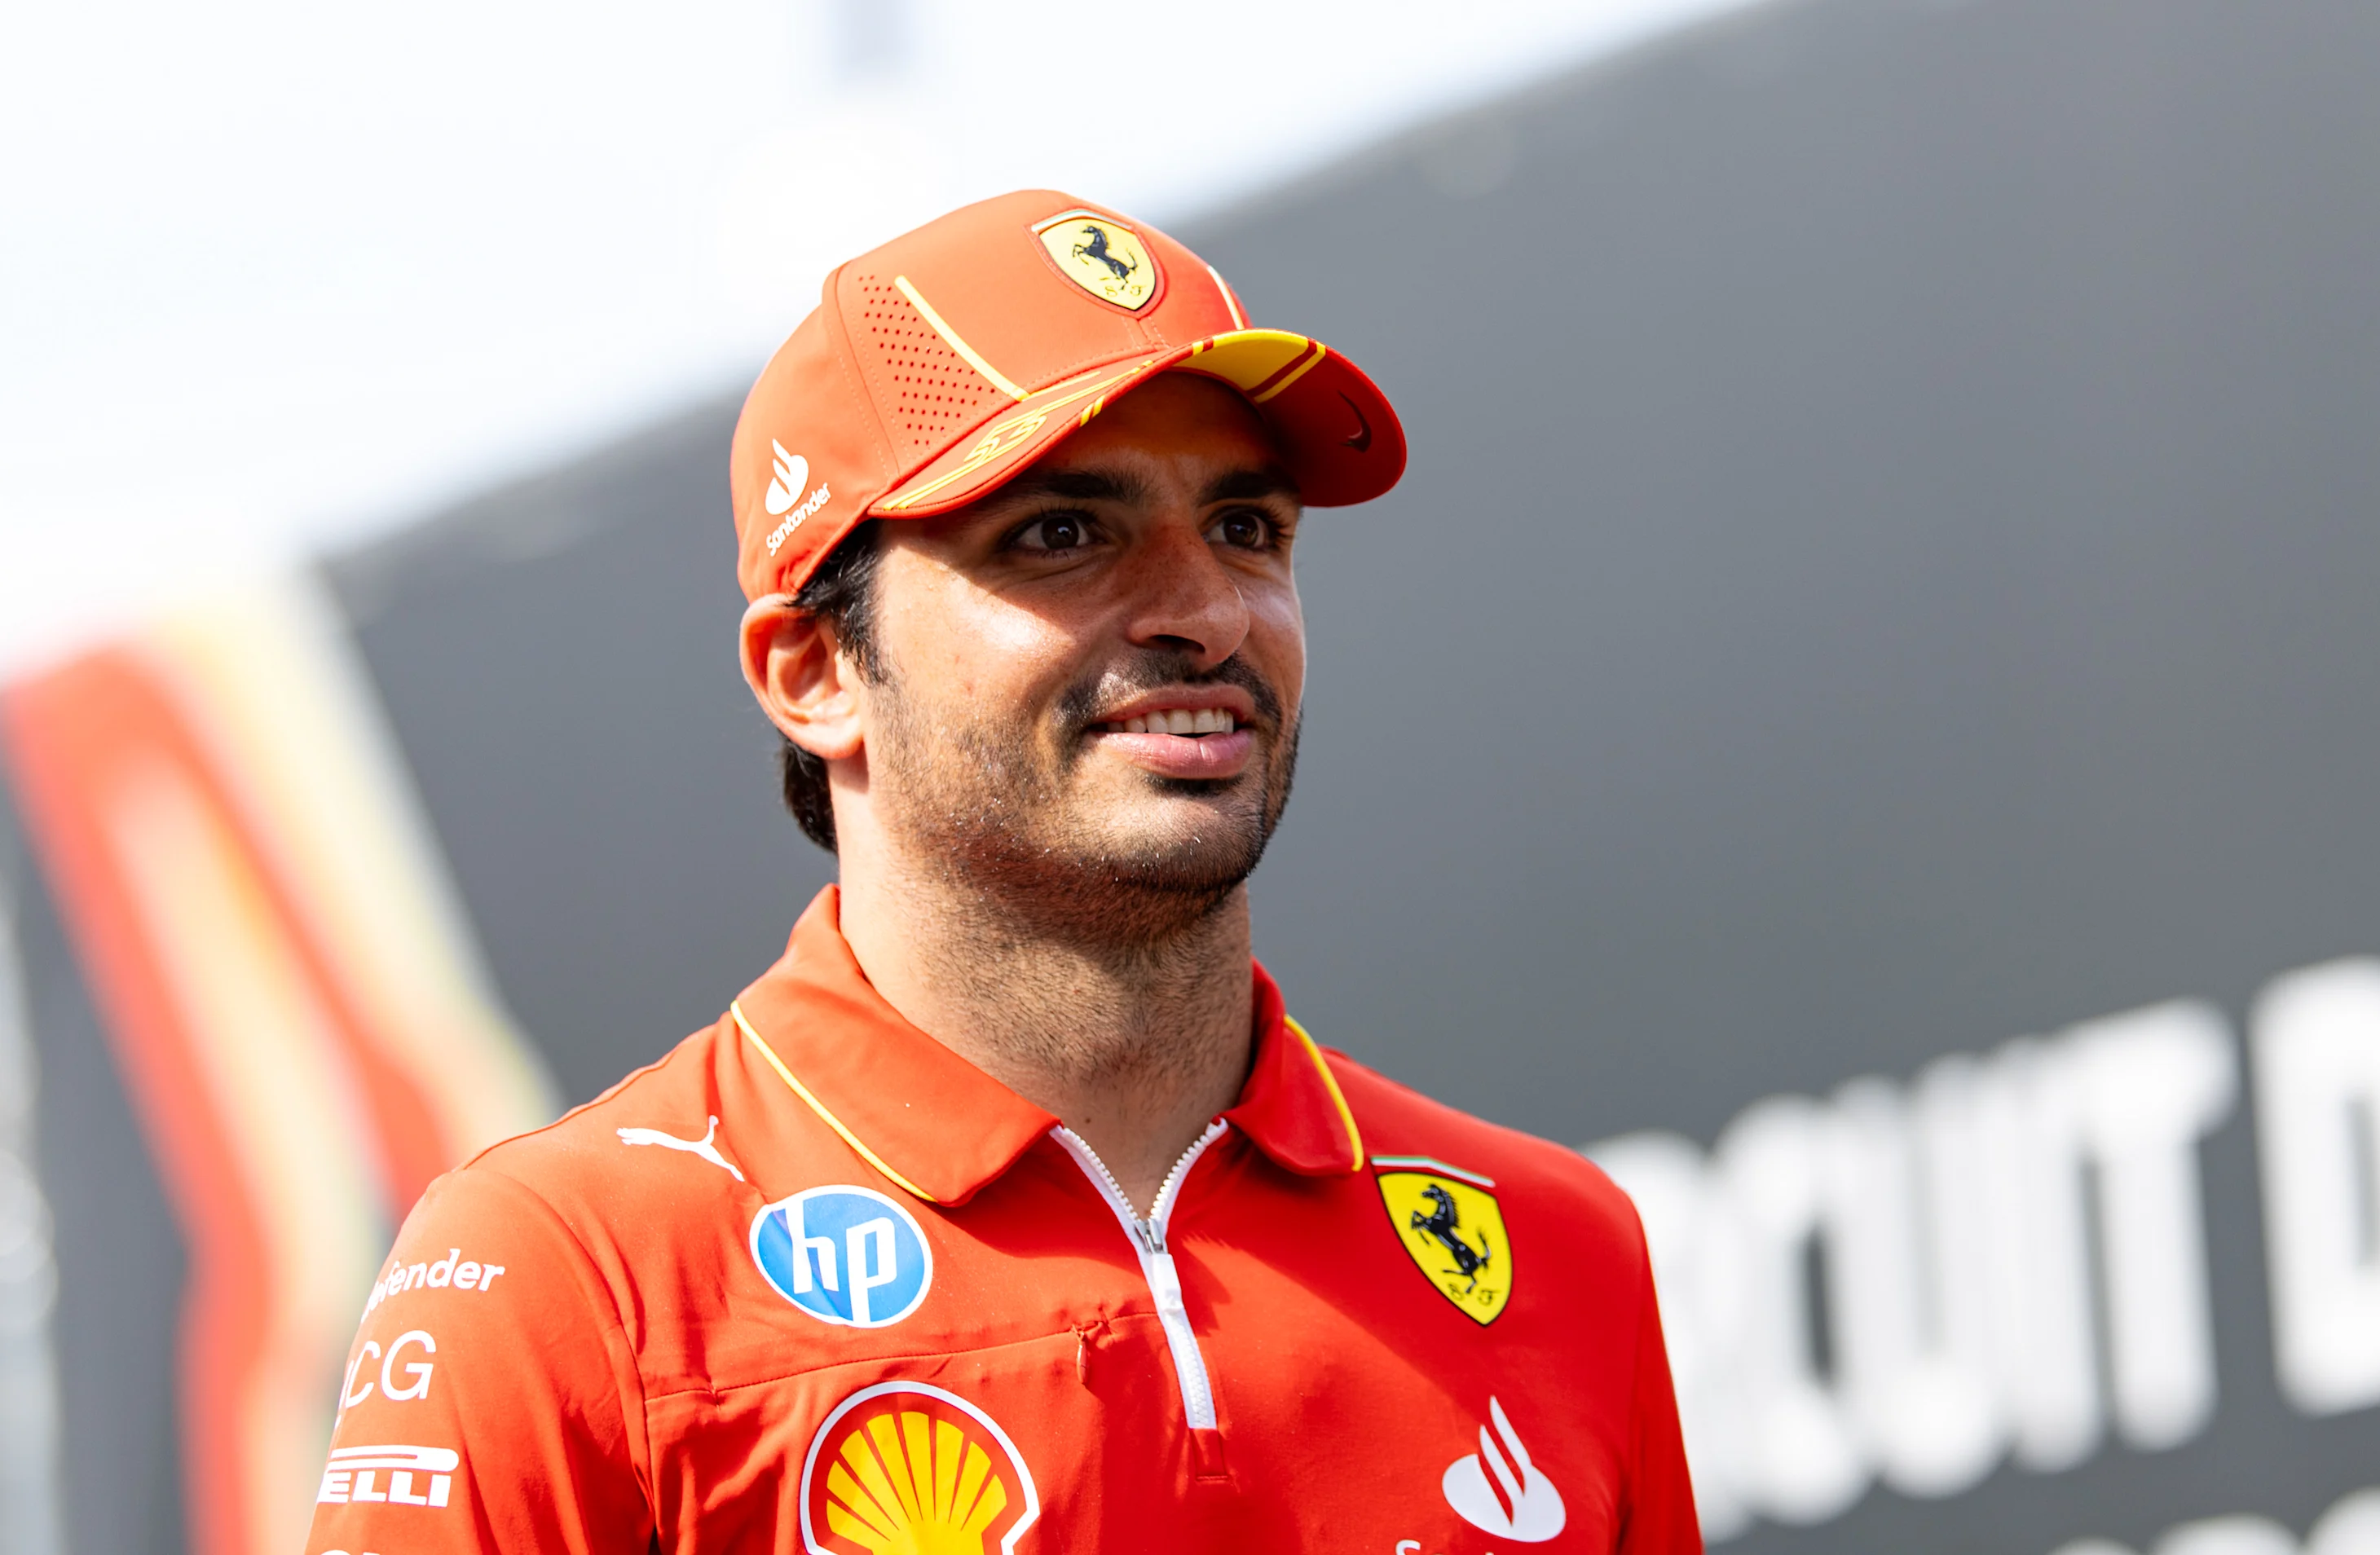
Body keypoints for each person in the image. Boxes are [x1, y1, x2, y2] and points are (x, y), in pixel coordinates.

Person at [303, 190, 1698, 1554]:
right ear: (816, 672)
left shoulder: (1561, 1249)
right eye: (1060, 534)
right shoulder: (573, 1273)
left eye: (1246, 528)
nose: (1207, 615)